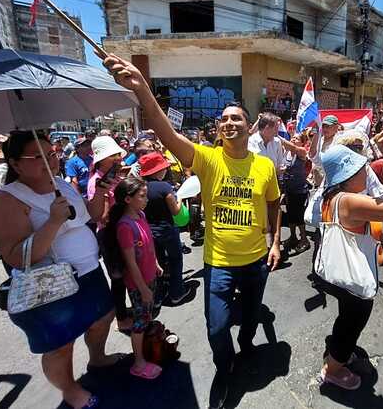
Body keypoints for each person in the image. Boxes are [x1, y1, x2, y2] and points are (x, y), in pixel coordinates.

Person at [100, 52, 281, 409]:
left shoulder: (265, 166)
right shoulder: (207, 158)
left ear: (249, 126)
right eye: (224, 119)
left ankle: (246, 346)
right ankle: (225, 368)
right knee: (216, 328)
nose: (229, 123)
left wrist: (274, 242)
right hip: (218, 263)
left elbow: (275, 204)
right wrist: (142, 89)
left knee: (248, 317)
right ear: (219, 129)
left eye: (236, 118)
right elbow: (164, 130)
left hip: (257, 261)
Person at [0, 131, 119, 409]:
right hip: (52, 284)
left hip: (90, 272)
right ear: (15, 163)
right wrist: (54, 222)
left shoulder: (61, 185)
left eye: (52, 154)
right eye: (38, 157)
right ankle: (69, 389)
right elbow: (16, 258)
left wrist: (103, 191)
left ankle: (97, 358)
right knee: (61, 344)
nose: (50, 161)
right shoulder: (5, 199)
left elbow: (89, 217)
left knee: (103, 317)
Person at [317, 139, 383, 390]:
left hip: (337, 275)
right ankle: (333, 370)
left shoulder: (332, 196)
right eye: (362, 169)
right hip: (353, 281)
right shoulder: (348, 200)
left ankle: (338, 353)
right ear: (348, 175)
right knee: (352, 324)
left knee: (346, 318)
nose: (366, 171)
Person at [105, 177, 164, 380]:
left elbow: (148, 245)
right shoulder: (124, 227)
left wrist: (155, 263)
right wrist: (143, 289)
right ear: (128, 199)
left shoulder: (141, 214)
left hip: (149, 277)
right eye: (142, 196)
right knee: (139, 323)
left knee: (146, 317)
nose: (146, 199)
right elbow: (131, 263)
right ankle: (138, 363)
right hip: (139, 283)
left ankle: (147, 349)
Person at [87, 136, 131, 333]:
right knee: (118, 278)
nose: (117, 158)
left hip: (124, 231)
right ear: (101, 159)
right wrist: (105, 198)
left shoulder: (117, 177)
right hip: (109, 235)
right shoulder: (95, 183)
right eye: (112, 155)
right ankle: (121, 318)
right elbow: (102, 217)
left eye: (117, 154)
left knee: (128, 272)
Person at [139, 152, 192, 305]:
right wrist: (180, 197)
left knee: (158, 262)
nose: (165, 171)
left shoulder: (141, 187)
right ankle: (177, 292)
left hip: (149, 232)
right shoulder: (164, 187)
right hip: (167, 230)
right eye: (163, 168)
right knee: (175, 260)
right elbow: (175, 210)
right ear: (157, 170)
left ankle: (158, 296)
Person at [279, 133, 311, 254]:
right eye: (292, 137)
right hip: (288, 189)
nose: (293, 139)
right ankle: (293, 237)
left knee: (299, 216)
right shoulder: (286, 153)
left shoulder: (301, 151)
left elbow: (293, 148)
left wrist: (277, 136)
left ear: (302, 143)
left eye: (297, 138)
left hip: (299, 189)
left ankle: (304, 239)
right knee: (290, 214)